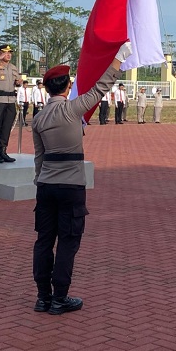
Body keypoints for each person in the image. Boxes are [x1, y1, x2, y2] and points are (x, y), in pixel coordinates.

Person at [32, 41, 131, 315]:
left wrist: (40, 181)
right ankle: (60, 297)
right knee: (68, 241)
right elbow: (102, 87)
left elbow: (39, 158)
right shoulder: (73, 109)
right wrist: (118, 59)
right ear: (67, 87)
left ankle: (43, 297)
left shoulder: (38, 119)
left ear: (47, 88)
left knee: (43, 240)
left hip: (46, 186)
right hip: (72, 185)